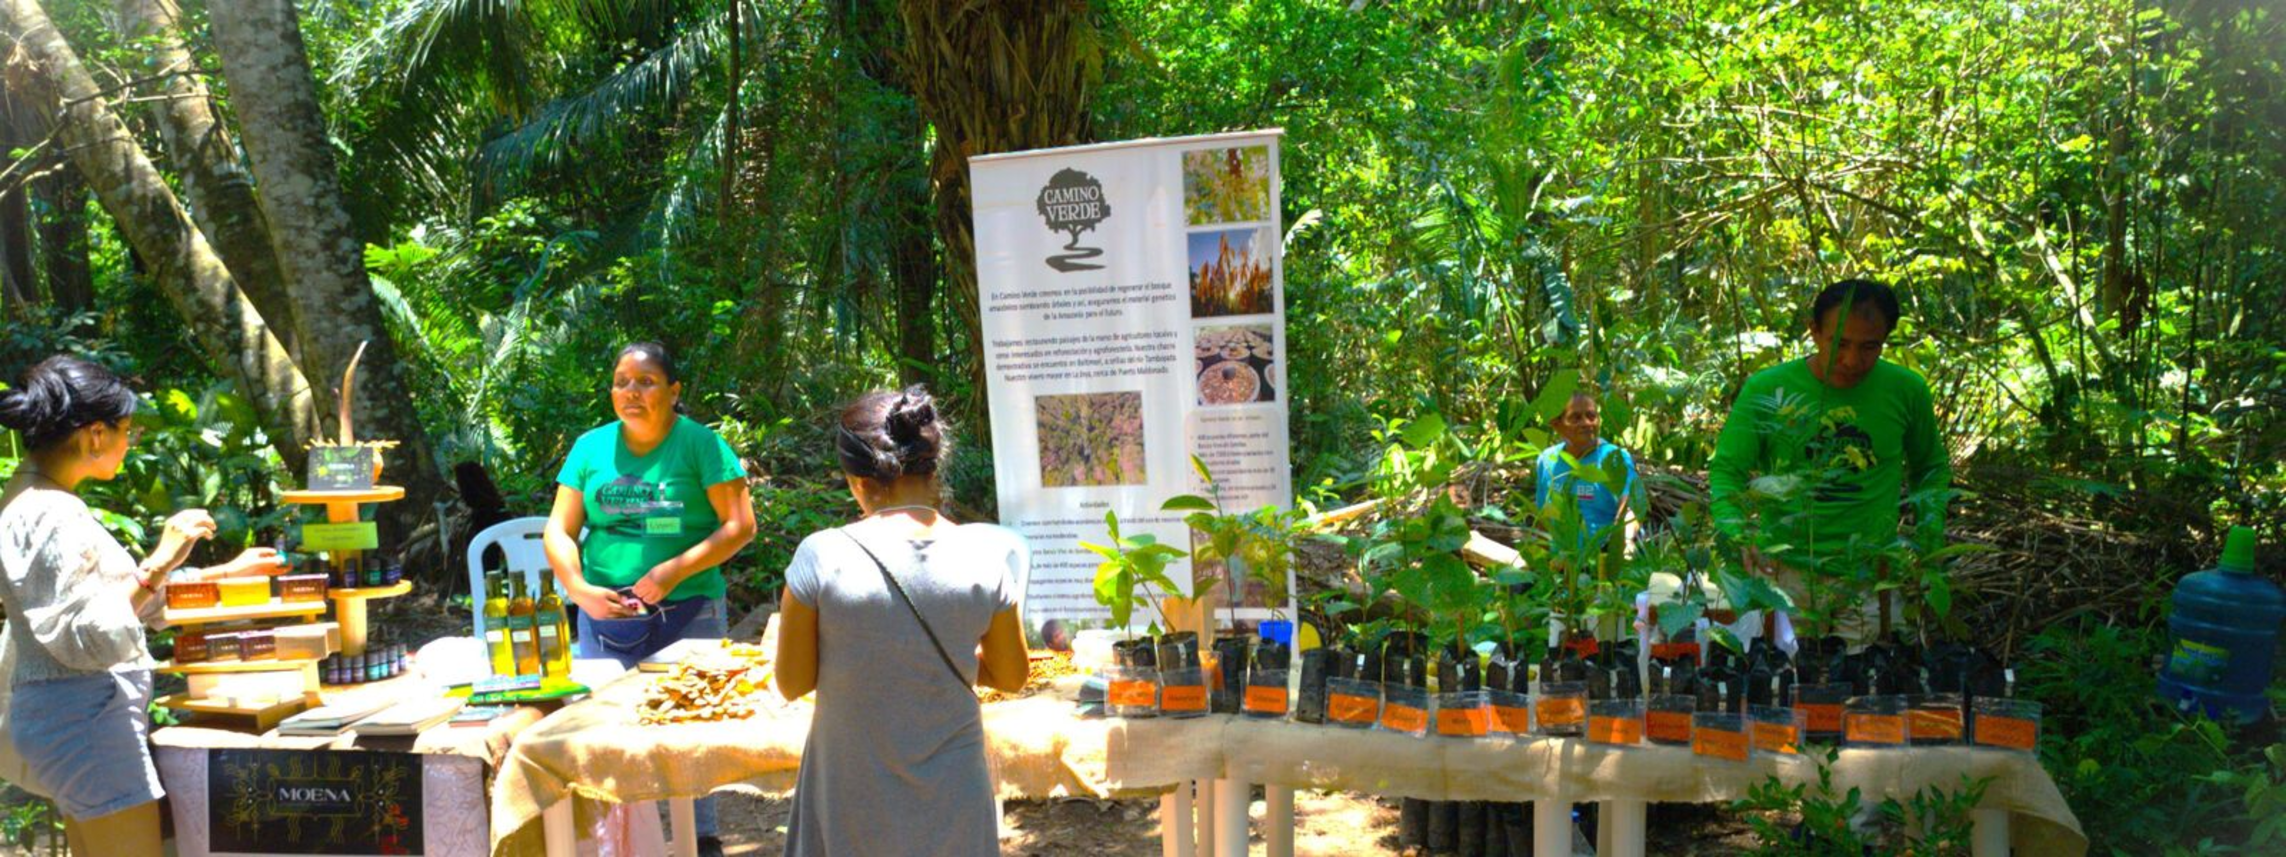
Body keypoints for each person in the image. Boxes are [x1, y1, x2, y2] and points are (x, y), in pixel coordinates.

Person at [0, 356, 284, 855]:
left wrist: (220, 574)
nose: (129, 443)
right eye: (126, 431)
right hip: (87, 725)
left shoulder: (31, 498)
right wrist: (159, 560)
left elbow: (112, 599)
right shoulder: (51, 512)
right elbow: (87, 634)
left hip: (68, 723)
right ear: (95, 435)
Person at [774, 386, 1029, 857]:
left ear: (857, 479)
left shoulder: (821, 556)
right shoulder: (984, 556)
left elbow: (792, 682)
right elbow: (1013, 676)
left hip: (851, 789)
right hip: (955, 791)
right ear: (934, 468)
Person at [544, 342, 754, 854]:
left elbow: (740, 525)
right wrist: (578, 590)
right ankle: (617, 842)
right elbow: (558, 529)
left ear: (673, 391)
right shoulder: (590, 448)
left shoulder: (701, 445)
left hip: (691, 610)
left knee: (692, 730)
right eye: (622, 382)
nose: (631, 392)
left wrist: (674, 570)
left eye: (646, 382)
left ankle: (700, 840)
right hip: (605, 614)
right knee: (608, 731)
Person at [1706, 278, 1951, 640]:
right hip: (1783, 573)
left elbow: (1930, 467)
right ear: (1814, 331)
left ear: (1886, 339)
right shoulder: (1767, 389)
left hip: (1872, 575)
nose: (1852, 360)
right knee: (1781, 671)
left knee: (1873, 672)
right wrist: (1738, 534)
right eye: (1840, 343)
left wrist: (1929, 541)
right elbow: (1727, 470)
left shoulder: (1907, 390)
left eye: (1869, 347)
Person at [1535, 390, 1641, 558]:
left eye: (1591, 416)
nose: (1586, 423)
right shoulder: (1547, 460)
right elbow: (1544, 517)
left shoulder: (1614, 458)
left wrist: (1624, 546)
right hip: (1559, 562)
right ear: (1556, 424)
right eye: (1575, 418)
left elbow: (1630, 508)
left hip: (1601, 560)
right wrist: (1540, 560)